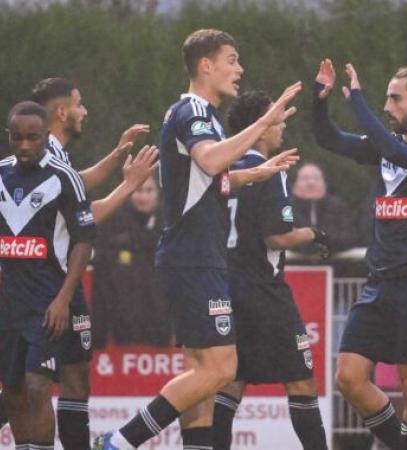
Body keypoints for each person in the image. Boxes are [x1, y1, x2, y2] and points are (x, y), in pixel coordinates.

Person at [94, 28, 302, 450]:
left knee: (201, 377)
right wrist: (263, 121)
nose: (239, 69)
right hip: (193, 259)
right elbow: (209, 161)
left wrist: (255, 173)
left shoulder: (197, 114)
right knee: (222, 369)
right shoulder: (194, 111)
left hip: (195, 257)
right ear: (205, 65)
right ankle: (119, 441)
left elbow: (211, 178)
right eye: (232, 59)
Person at [313, 59, 407, 450]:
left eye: (395, 99)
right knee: (349, 377)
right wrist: (320, 100)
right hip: (379, 282)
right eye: (384, 99)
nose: (387, 106)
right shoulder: (384, 148)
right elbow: (328, 139)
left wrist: (358, 102)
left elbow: (404, 155)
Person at [28, 76, 158, 449]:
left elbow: (76, 185)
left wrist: (118, 155)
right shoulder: (43, 153)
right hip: (47, 284)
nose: (85, 111)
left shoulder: (57, 153)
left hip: (67, 281)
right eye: (80, 104)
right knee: (31, 386)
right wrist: (129, 184)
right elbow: (86, 213)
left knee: (77, 376)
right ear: (63, 111)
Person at [211, 90, 330, 450]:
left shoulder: (221, 166)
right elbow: (277, 238)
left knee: (231, 382)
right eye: (277, 120)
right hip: (262, 290)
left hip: (226, 288)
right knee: (300, 381)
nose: (282, 127)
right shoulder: (268, 169)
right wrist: (316, 234)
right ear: (260, 128)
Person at [0, 101, 95, 450]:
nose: (24, 145)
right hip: (10, 304)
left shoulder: (63, 177)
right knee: (13, 393)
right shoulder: (1, 175)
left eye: (33, 138)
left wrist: (63, 299)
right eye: (17, 137)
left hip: (48, 304)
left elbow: (84, 241)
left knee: (39, 386)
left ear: (44, 138)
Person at [92, 175, 171, 348]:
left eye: (149, 190)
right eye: (138, 190)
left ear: (158, 193)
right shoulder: (113, 224)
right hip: (121, 327)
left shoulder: (170, 224)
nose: (143, 197)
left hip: (162, 329)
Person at [292, 162, 356, 254]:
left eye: (316, 178)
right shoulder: (286, 208)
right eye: (304, 179)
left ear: (325, 184)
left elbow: (350, 237)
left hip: (334, 265)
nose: (311, 183)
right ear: (294, 185)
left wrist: (323, 243)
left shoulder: (338, 207)